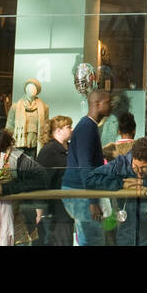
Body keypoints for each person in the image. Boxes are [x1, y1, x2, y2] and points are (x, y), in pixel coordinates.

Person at [62, 88, 111, 246]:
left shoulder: (88, 126)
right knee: (93, 239)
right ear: (97, 104)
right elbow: (85, 165)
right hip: (80, 191)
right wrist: (92, 201)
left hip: (79, 190)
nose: (111, 106)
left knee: (89, 238)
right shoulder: (87, 127)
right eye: (107, 102)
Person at [36, 115, 74, 246]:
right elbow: (40, 180)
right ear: (57, 130)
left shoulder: (70, 148)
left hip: (69, 204)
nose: (71, 129)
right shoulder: (48, 151)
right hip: (56, 207)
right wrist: (39, 208)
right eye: (68, 127)